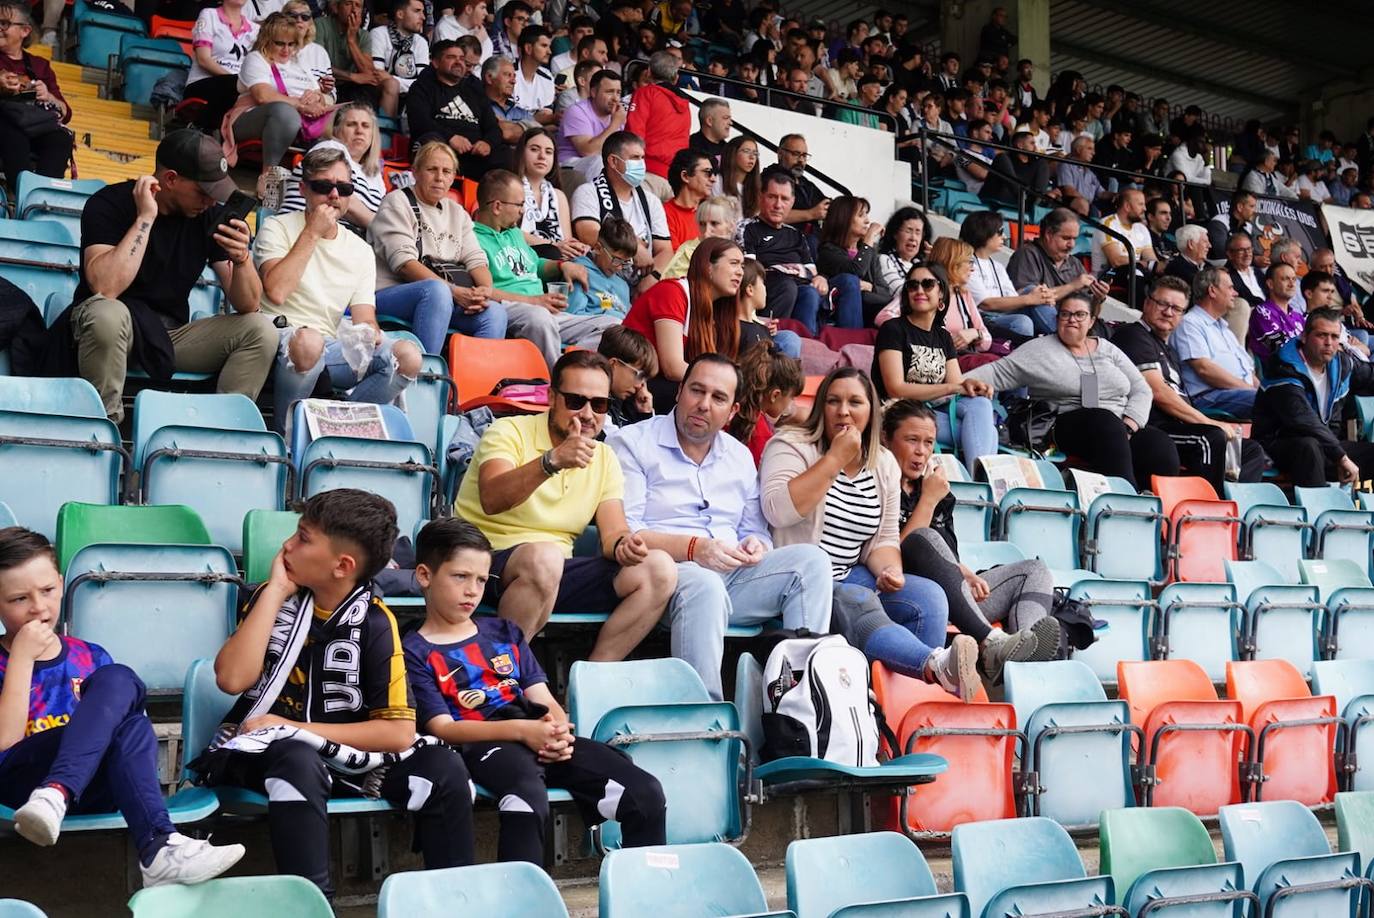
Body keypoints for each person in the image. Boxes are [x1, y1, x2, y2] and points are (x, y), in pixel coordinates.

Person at [204, 490, 476, 898]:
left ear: (342, 566)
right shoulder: (268, 599)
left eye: (303, 538)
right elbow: (231, 679)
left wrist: (294, 727)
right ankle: (316, 906)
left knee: (445, 769)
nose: (288, 546)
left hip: (349, 759)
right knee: (298, 760)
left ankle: (454, 903)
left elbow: (399, 734)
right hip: (265, 753)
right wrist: (276, 592)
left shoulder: (375, 622)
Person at [403, 518, 666, 865]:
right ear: (425, 576)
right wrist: (523, 731)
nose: (472, 590)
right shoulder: (413, 649)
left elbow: (541, 696)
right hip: (482, 743)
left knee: (646, 793)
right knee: (527, 799)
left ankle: (646, 898)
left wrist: (559, 732)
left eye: (481, 580)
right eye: (460, 577)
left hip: (539, 735)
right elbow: (443, 728)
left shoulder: (503, 633)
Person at [0, 527, 246, 884]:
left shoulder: (89, 655)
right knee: (126, 713)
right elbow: (5, 742)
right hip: (18, 787)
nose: (38, 607)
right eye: (19, 599)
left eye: (48, 591)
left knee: (121, 685)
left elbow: (132, 741)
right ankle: (157, 844)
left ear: (61, 581)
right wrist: (21, 657)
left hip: (90, 788)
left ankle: (69, 799)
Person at [607, 354, 834, 700]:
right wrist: (696, 548)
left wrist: (757, 546)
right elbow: (630, 531)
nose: (703, 405)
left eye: (718, 398)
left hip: (733, 574)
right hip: (667, 576)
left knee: (812, 563)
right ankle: (704, 715)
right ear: (680, 392)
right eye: (697, 391)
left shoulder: (739, 455)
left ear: (732, 411)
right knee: (706, 585)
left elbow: (754, 530)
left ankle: (801, 703)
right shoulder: (633, 443)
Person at [760, 368, 991, 701]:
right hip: (801, 581)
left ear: (870, 411)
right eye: (833, 401)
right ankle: (934, 666)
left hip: (853, 573)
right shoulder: (792, 445)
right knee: (859, 600)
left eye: (855, 402)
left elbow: (883, 539)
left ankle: (910, 707)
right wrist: (835, 457)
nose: (843, 411)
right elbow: (778, 510)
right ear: (820, 406)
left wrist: (889, 570)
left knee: (927, 597)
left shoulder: (882, 462)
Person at [453, 350, 678, 655]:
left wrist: (625, 544)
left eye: (599, 404)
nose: (587, 414)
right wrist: (551, 462)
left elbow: (613, 534)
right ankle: (499, 678)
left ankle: (594, 681)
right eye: (576, 401)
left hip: (555, 571)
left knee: (659, 568)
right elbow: (492, 498)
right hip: (484, 560)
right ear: (551, 398)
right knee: (545, 559)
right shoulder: (508, 431)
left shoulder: (604, 457)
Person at [67, 131, 277, 424]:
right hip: (110, 328)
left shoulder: (206, 216)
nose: (209, 201)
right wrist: (145, 218)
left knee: (260, 330)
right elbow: (106, 286)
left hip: (168, 337)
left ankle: (222, 435)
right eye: (203, 191)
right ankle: (105, 432)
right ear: (170, 179)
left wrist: (242, 259)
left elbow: (249, 305)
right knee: (108, 314)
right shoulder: (110, 203)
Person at [882, 401, 1061, 677]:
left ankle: (1026, 653)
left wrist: (966, 574)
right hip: (908, 594)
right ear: (886, 438)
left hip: (954, 596)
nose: (921, 451)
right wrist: (929, 500)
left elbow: (944, 554)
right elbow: (900, 551)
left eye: (929, 442)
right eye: (911, 440)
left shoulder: (935, 487)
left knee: (1033, 571)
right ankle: (992, 643)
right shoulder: (879, 482)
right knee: (923, 536)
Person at [254, 145, 423, 431]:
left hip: (329, 345)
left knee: (407, 356)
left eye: (344, 188)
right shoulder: (277, 227)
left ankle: (337, 428)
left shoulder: (360, 249)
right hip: (277, 336)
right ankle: (286, 437)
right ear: (304, 189)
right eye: (324, 186)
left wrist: (372, 334)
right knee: (309, 342)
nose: (334, 195)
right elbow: (277, 291)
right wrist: (312, 233)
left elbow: (364, 319)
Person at [966, 292, 1175, 488]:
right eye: (1065, 314)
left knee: (1158, 443)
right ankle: (1124, 503)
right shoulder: (1039, 350)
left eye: (1080, 314)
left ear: (1092, 321)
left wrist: (1129, 425)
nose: (1071, 319)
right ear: (1057, 319)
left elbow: (1142, 390)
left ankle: (1157, 513)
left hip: (1119, 426)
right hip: (1062, 424)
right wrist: (953, 384)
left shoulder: (1107, 349)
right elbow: (994, 372)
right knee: (1105, 423)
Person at [1112, 276, 1267, 492]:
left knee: (1250, 451)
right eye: (1162, 304)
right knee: (1210, 438)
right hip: (1153, 427)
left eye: (1176, 309)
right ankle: (1206, 512)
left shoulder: (1168, 349)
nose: (1168, 312)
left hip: (1181, 428)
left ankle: (1233, 508)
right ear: (1147, 303)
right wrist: (1208, 422)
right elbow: (1158, 392)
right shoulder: (1133, 336)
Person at [370, 141, 505, 355]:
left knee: (495, 313)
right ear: (415, 172)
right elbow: (404, 264)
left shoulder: (456, 211)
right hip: (389, 294)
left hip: (444, 297)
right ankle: (425, 375)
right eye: (431, 169)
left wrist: (483, 291)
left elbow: (476, 260)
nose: (439, 177)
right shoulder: (397, 202)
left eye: (446, 171)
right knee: (437, 291)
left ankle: (475, 383)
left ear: (453, 177)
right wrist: (453, 292)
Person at [473, 168, 616, 370]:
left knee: (611, 327)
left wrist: (562, 265)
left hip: (544, 310)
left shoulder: (513, 232)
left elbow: (536, 265)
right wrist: (534, 301)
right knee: (539, 319)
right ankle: (558, 385)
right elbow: (485, 291)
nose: (523, 210)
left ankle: (572, 368)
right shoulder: (473, 238)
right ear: (497, 206)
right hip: (512, 308)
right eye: (519, 204)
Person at [872, 263, 998, 475]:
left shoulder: (943, 336)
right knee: (988, 433)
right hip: (898, 413)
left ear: (941, 294)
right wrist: (952, 387)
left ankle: (978, 486)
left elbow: (956, 387)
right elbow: (896, 388)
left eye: (928, 284)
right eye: (912, 286)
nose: (919, 290)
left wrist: (968, 386)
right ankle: (983, 486)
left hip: (931, 412)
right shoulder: (893, 329)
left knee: (981, 405)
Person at [1253, 308, 1374, 487]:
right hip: (1277, 447)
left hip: (1326, 445)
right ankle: (1319, 510)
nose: (1329, 343)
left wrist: (1338, 453)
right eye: (1321, 335)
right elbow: (1303, 421)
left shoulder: (1342, 364)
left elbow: (1368, 375)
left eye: (1334, 337)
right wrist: (1341, 457)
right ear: (1304, 337)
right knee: (1310, 446)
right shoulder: (1284, 367)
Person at [225, 12, 335, 197]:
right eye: (280, 43)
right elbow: (263, 95)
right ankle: (269, 176)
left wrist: (317, 99)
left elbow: (318, 92)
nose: (286, 50)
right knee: (285, 113)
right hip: (252, 117)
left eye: (291, 44)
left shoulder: (299, 62)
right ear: (267, 39)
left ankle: (322, 186)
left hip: (301, 121)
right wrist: (300, 105)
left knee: (350, 118)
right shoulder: (257, 58)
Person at [622, 236, 743, 396]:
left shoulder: (716, 311)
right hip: (634, 383)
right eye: (733, 263)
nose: (740, 272)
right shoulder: (672, 292)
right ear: (708, 267)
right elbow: (672, 368)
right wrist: (721, 384)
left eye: (742, 265)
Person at [570, 131, 672, 293]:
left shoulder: (650, 200)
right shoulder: (588, 192)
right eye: (634, 158)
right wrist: (635, 248)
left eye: (642, 158)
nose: (641, 164)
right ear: (613, 161)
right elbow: (587, 232)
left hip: (644, 285)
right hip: (601, 282)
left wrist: (652, 278)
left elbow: (665, 250)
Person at [737, 170, 827, 334]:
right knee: (788, 286)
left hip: (797, 287)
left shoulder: (796, 234)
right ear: (760, 196)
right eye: (772, 197)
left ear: (792, 202)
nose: (778, 205)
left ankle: (805, 345)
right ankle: (766, 338)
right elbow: (749, 270)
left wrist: (820, 278)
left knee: (810, 293)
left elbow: (812, 273)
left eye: (784, 199)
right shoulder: (747, 227)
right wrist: (792, 270)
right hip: (765, 288)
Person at [406, 39, 509, 177]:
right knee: (431, 141)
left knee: (508, 155)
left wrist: (487, 143)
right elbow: (420, 123)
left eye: (461, 58)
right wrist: (450, 138)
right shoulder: (421, 87)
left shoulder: (475, 89)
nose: (458, 62)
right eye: (451, 57)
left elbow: (492, 127)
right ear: (435, 63)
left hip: (475, 156)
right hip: (443, 150)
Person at [278, 104, 386, 231]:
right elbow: (341, 198)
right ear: (336, 129)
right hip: (300, 228)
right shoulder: (330, 148)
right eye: (351, 124)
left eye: (366, 126)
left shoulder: (375, 174)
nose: (359, 131)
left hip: (343, 238)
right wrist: (383, 229)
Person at [0, 1, 71, 193]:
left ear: (25, 31)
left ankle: (43, 197)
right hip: (7, 126)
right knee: (11, 128)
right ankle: (22, 195)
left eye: (5, 23)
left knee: (61, 139)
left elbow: (65, 112)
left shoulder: (40, 65)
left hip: (32, 124)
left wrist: (47, 95)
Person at [1172, 266, 1259, 419]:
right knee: (1274, 403)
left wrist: (1266, 390)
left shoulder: (1225, 329)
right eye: (1231, 288)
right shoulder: (1190, 323)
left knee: (1289, 398)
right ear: (1212, 291)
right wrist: (1252, 391)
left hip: (1239, 395)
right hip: (1209, 398)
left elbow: (1249, 373)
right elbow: (1205, 369)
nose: (1236, 293)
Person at [1006, 207, 1109, 335]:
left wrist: (1098, 299)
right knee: (1034, 291)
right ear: (1048, 234)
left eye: (1074, 239)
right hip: (1035, 327)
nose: (1072, 245)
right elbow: (1027, 297)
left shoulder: (1075, 264)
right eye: (1066, 238)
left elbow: (1089, 313)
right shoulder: (1027, 254)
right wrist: (1072, 286)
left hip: (1069, 327)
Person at [959, 210, 1044, 342]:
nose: (1004, 237)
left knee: (1034, 290)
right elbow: (986, 304)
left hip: (1002, 314)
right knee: (1022, 321)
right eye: (999, 232)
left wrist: (1038, 295)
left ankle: (1057, 336)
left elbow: (1014, 299)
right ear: (983, 232)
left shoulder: (997, 266)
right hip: (984, 319)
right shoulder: (966, 263)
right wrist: (1030, 299)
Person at [816, 195, 891, 328]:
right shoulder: (828, 250)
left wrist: (869, 286)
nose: (867, 221)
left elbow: (885, 292)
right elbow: (856, 271)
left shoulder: (870, 253)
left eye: (867, 215)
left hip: (869, 317)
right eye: (861, 215)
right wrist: (869, 238)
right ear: (844, 218)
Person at [313, 0, 399, 116]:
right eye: (348, 3)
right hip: (325, 85)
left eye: (358, 6)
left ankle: (382, 131)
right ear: (336, 8)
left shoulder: (363, 35)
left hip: (351, 87)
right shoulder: (320, 25)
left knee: (378, 86)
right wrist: (352, 77)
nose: (354, 10)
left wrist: (351, 40)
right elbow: (316, 66)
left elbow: (368, 73)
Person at [185, 0, 260, 130]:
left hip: (240, 88)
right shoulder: (209, 15)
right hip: (202, 84)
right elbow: (203, 59)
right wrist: (238, 81)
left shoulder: (255, 29)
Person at [514, 127, 586, 261]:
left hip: (558, 257)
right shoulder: (510, 188)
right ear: (521, 153)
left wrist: (577, 248)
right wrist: (553, 245)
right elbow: (509, 232)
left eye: (548, 152)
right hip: (522, 255)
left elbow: (566, 240)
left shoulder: (559, 196)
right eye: (534, 149)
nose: (542, 156)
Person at [729, 340, 803, 465]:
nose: (791, 404)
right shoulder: (760, 434)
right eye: (791, 398)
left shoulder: (732, 407)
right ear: (775, 395)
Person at [624, 50, 690, 179]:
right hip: (674, 176)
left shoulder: (645, 93)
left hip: (648, 171)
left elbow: (634, 133)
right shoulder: (685, 103)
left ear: (648, 72)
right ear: (676, 78)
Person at [927, 236, 994, 357]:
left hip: (961, 359)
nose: (972, 268)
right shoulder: (923, 290)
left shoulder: (963, 295)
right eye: (969, 262)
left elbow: (987, 339)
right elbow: (885, 317)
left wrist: (974, 334)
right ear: (953, 263)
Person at [1092, 188, 1156, 305]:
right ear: (1127, 206)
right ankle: (1140, 311)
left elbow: (1151, 259)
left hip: (1135, 273)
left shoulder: (1141, 228)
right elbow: (1116, 260)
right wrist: (1144, 264)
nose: (1145, 209)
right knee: (1135, 269)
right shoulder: (1108, 223)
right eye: (1141, 204)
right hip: (1107, 276)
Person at [565, 216, 637, 319]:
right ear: (598, 248)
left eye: (625, 262)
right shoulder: (580, 272)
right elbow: (572, 317)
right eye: (616, 260)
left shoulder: (623, 285)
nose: (620, 267)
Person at [557, 68, 624, 173]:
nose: (615, 98)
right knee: (599, 161)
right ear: (593, 92)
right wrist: (615, 124)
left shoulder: (618, 114)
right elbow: (588, 151)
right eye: (610, 92)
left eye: (618, 93)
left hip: (602, 167)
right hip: (569, 168)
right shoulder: (576, 111)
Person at [596, 324, 658, 430]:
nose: (640, 386)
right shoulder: (594, 401)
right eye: (639, 375)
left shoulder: (625, 402)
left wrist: (644, 414)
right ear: (613, 364)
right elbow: (616, 441)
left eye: (645, 379)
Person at [662, 194, 738, 280]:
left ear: (731, 226)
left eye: (714, 223)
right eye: (702, 224)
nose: (706, 232)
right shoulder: (688, 251)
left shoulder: (737, 254)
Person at [368, 0, 428, 97]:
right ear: (400, 14)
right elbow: (378, 77)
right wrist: (406, 84)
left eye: (423, 12)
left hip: (413, 98)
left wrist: (393, 79)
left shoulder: (421, 42)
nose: (423, 17)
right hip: (381, 96)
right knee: (390, 86)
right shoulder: (378, 34)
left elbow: (424, 83)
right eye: (417, 11)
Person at [1247, 262, 1304, 364]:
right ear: (1270, 284)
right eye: (1285, 279)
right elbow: (1280, 350)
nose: (1291, 284)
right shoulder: (1262, 313)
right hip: (1279, 374)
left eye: (1294, 279)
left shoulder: (1298, 317)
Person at [775, 134, 830, 234]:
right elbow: (769, 214)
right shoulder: (770, 179)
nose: (801, 160)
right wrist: (811, 214)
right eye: (796, 154)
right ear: (780, 154)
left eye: (804, 156)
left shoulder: (805, 183)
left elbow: (825, 203)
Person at [664, 148, 713, 250]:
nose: (713, 178)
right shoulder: (665, 214)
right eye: (707, 173)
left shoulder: (711, 213)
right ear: (685, 176)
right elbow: (676, 262)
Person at [876, 206, 932, 295]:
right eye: (908, 231)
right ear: (895, 233)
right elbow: (901, 292)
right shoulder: (885, 259)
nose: (913, 238)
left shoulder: (919, 263)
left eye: (918, 232)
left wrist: (934, 262)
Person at [717, 135, 761, 219]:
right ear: (733, 153)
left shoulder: (755, 190)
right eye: (746, 151)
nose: (752, 157)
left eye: (755, 153)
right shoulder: (718, 181)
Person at [688, 98, 732, 168]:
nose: (730, 123)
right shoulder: (689, 147)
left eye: (730, 119)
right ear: (709, 121)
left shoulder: (730, 150)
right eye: (725, 118)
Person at [1163, 223, 1210, 287]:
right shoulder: (1176, 269)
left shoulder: (1209, 266)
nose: (1209, 246)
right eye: (1205, 242)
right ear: (1191, 244)